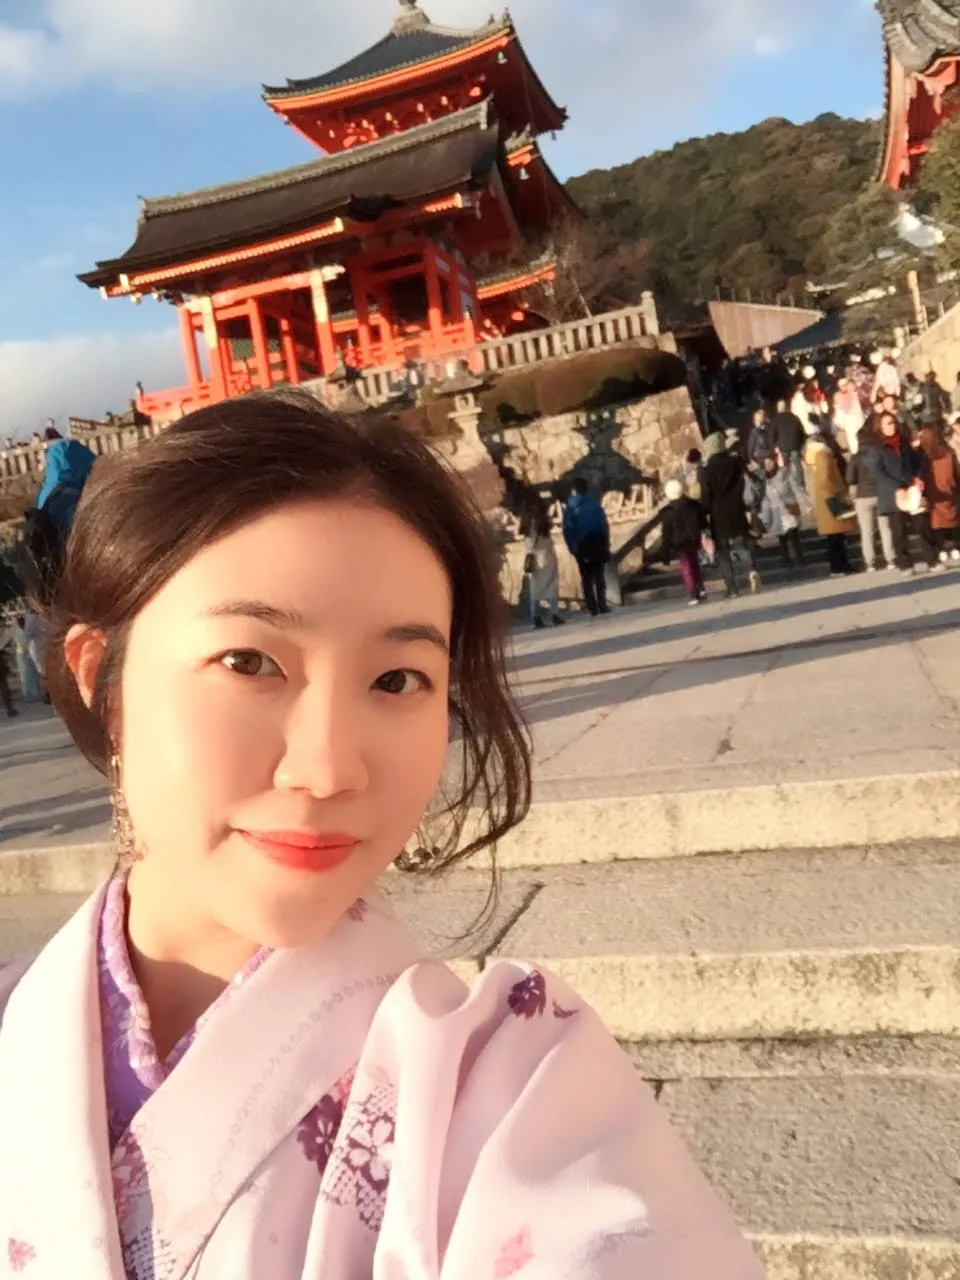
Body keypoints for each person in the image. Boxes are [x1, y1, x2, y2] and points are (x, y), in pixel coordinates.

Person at [0, 393, 766, 1278]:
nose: (328, 770)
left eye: (398, 679)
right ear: (103, 679)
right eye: (249, 662)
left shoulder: (506, 1086)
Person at [865, 412, 928, 573]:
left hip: (911, 489)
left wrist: (917, 477)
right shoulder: (876, 448)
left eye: (893, 422)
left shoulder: (904, 443)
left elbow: (916, 463)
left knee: (922, 524)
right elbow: (878, 473)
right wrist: (896, 487)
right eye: (888, 423)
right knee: (899, 531)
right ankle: (904, 563)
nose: (892, 426)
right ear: (880, 427)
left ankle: (932, 558)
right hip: (892, 494)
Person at [701, 436, 761, 598]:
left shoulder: (707, 470)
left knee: (723, 552)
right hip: (737, 509)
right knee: (741, 543)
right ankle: (751, 570)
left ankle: (732, 588)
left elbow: (706, 494)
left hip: (718, 513)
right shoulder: (735, 462)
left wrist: (704, 511)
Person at [804, 428, 857, 577]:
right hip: (831, 499)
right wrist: (836, 493)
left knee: (835, 537)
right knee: (836, 538)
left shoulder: (816, 455)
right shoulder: (823, 455)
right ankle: (838, 567)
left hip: (825, 500)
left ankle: (842, 565)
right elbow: (825, 479)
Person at [847, 426, 896, 572]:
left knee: (867, 531)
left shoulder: (855, 457)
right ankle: (891, 559)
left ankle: (870, 563)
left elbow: (850, 478)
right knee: (886, 528)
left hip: (863, 496)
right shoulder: (880, 454)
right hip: (881, 494)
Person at [563, 478, 611, 617]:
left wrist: (572, 546)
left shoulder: (571, 508)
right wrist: (606, 542)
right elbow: (603, 524)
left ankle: (592, 606)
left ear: (573, 490)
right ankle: (602, 604)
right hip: (597, 542)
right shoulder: (594, 504)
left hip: (582, 544)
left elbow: (568, 529)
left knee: (586, 577)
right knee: (599, 575)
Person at [916, 423, 960, 563]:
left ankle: (942, 548)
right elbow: (956, 472)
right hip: (949, 490)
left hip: (932, 493)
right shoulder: (948, 452)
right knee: (953, 520)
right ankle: (955, 546)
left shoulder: (923, 455)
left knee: (936, 522)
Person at [660, 479, 708, 606]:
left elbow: (666, 534)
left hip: (679, 543)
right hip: (694, 538)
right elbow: (702, 521)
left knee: (686, 568)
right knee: (695, 563)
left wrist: (665, 551)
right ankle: (700, 587)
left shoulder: (668, 512)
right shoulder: (693, 505)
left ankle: (693, 593)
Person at [521, 497, 564, 629]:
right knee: (552, 585)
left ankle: (536, 616)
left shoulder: (526, 522)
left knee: (535, 588)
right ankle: (553, 613)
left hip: (534, 558)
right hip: (547, 555)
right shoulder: (543, 522)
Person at [759, 454, 805, 570]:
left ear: (774, 462)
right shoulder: (765, 479)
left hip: (789, 507)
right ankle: (786, 560)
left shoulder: (784, 473)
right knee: (782, 537)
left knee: (793, 534)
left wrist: (801, 501)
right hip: (776, 510)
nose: (768, 465)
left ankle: (799, 558)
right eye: (765, 464)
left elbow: (795, 488)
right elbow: (765, 497)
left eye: (769, 462)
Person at [769, 398, 807, 491]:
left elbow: (771, 435)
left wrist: (774, 446)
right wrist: (801, 444)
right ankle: (800, 484)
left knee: (785, 466)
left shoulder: (775, 420)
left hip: (783, 447)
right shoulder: (794, 417)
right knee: (797, 465)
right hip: (795, 445)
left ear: (779, 408)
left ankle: (786, 485)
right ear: (786, 407)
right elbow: (801, 432)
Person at [12, 617, 43, 703]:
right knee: (26, 676)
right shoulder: (17, 632)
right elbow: (17, 644)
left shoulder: (27, 631)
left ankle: (36, 694)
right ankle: (29, 696)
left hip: (29, 654)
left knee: (34, 675)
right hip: (22, 655)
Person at [833, 375, 865, 455]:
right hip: (848, 421)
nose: (845, 387)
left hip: (857, 421)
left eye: (846, 385)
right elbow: (839, 415)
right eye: (842, 386)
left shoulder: (856, 394)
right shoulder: (838, 396)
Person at [746, 407, 775, 472]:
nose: (757, 422)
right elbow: (750, 447)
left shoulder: (767, 429)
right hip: (762, 456)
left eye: (759, 421)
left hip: (764, 455)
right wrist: (751, 459)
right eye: (756, 420)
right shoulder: (755, 431)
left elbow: (750, 448)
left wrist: (751, 459)